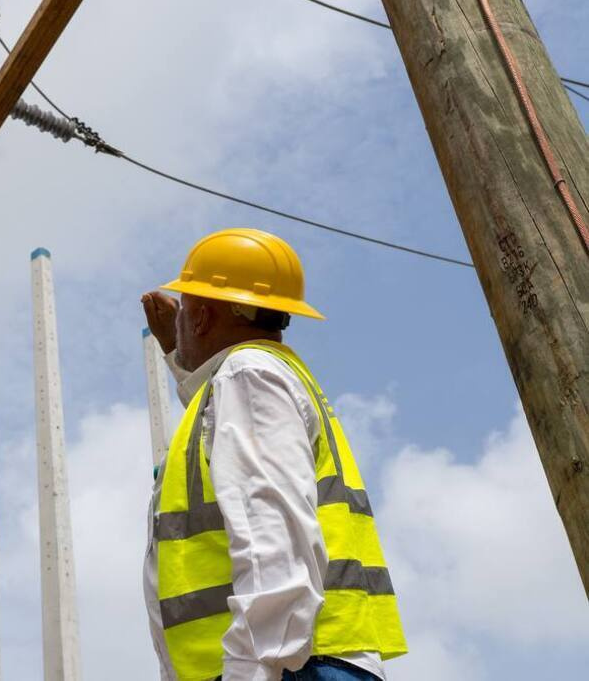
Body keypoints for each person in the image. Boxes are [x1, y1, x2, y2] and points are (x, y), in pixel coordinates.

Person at [139, 228, 407, 681]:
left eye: (187, 308)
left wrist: (250, 672)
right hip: (296, 663)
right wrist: (177, 353)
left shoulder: (248, 377)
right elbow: (222, 434)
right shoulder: (254, 380)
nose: (180, 319)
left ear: (203, 318)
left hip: (284, 667)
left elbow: (273, 543)